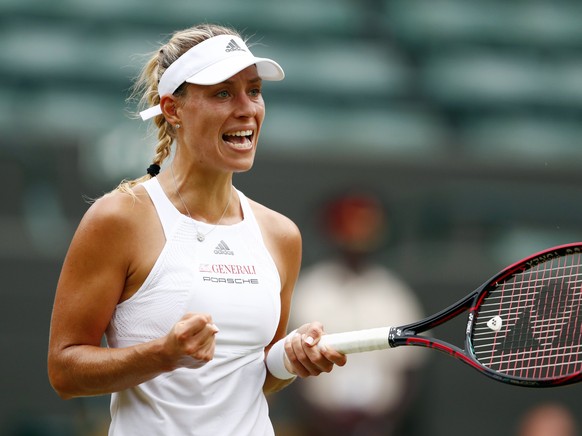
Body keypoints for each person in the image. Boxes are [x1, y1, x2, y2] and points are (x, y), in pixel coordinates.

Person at [47, 23, 346, 436]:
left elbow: (259, 376)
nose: (247, 108)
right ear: (173, 109)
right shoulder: (118, 218)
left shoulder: (281, 235)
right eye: (223, 93)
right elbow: (64, 372)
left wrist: (290, 360)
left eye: (254, 90)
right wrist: (163, 354)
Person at [287, 190, 426, 436]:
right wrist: (320, 421)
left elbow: (411, 371)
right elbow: (289, 364)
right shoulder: (309, 290)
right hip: (318, 425)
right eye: (350, 226)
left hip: (382, 425)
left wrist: (384, 422)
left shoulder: (394, 294)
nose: (358, 236)